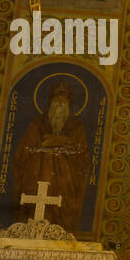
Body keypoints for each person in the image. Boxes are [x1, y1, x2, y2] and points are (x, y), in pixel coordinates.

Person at [13, 81, 89, 232]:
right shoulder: (37, 124)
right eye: (57, 99)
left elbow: (81, 156)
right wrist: (51, 146)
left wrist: (56, 142)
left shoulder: (76, 127)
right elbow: (25, 152)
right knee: (45, 158)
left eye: (64, 100)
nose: (60, 103)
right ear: (50, 102)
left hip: (64, 185)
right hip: (37, 178)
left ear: (69, 103)